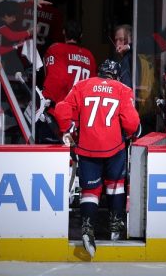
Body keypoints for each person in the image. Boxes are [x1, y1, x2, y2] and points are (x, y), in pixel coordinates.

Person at [53, 59, 141, 258]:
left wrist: (67, 128)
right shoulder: (123, 89)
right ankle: (115, 225)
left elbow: (61, 108)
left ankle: (87, 227)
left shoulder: (82, 85)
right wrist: (129, 132)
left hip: (87, 148)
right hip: (114, 147)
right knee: (115, 185)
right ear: (116, 75)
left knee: (90, 191)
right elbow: (132, 123)